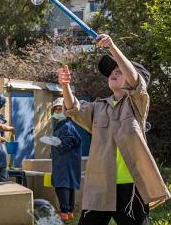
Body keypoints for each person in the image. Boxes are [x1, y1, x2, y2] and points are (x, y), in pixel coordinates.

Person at [58, 34, 170, 225]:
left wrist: (112, 47)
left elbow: (136, 83)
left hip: (132, 188)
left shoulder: (137, 104)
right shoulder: (99, 107)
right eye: (112, 71)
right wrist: (65, 86)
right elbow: (73, 109)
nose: (113, 73)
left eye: (120, 70)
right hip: (99, 186)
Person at [50, 97, 82, 222]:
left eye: (60, 109)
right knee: (68, 186)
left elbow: (65, 145)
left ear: (66, 111)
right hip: (63, 163)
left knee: (62, 186)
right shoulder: (61, 125)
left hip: (66, 164)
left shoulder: (67, 126)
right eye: (56, 109)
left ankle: (64, 212)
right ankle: (69, 213)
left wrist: (53, 142)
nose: (57, 111)